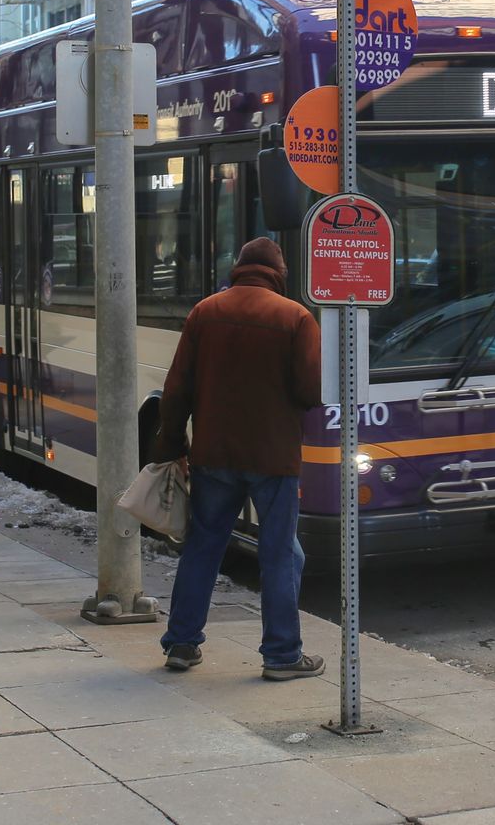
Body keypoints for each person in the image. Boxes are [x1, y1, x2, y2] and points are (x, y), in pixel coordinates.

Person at [155, 237, 324, 680]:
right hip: (274, 458)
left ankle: (182, 643)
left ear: (239, 268)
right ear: (279, 273)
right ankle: (282, 655)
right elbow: (309, 393)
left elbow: (177, 389)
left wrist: (172, 443)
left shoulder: (204, 312)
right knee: (279, 553)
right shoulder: (297, 318)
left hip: (214, 453)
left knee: (204, 547)